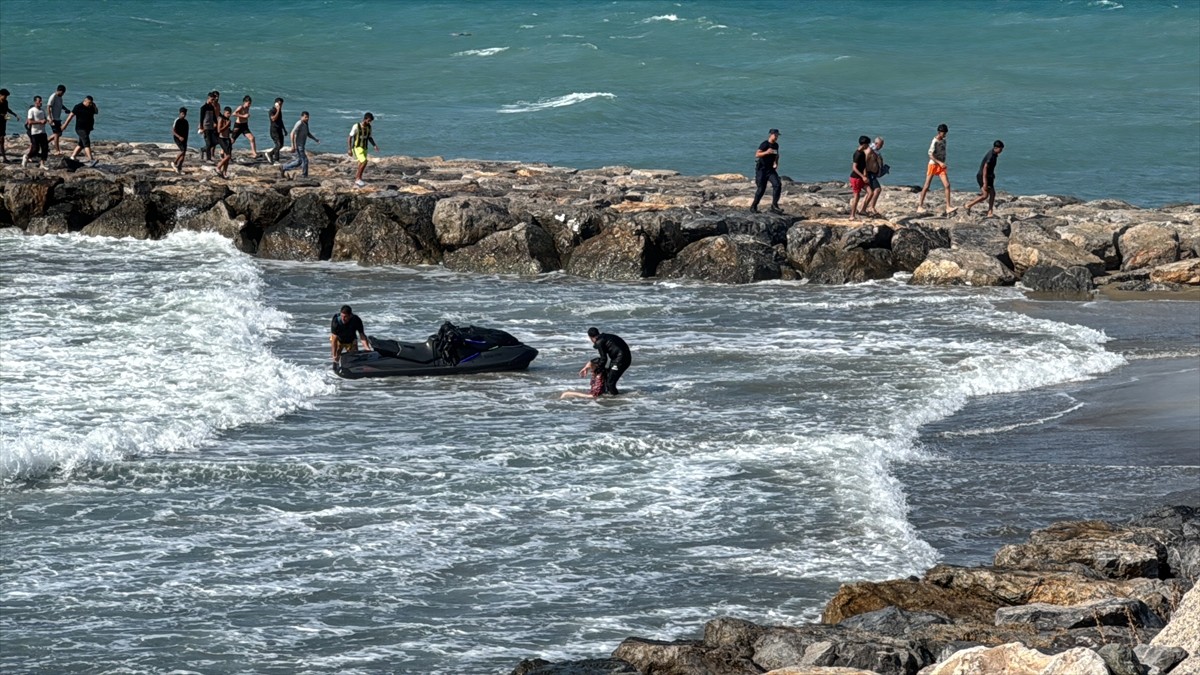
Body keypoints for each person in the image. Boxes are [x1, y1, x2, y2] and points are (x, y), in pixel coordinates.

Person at [917, 123, 955, 215]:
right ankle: (920, 206)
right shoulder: (935, 141)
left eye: (945, 133)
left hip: (941, 167)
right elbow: (930, 154)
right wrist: (940, 162)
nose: (944, 134)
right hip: (933, 165)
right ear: (939, 132)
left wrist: (943, 163)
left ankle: (948, 206)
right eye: (943, 133)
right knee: (926, 186)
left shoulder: (944, 140)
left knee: (947, 185)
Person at [582, 327, 631, 395]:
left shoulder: (599, 341)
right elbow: (603, 359)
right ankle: (609, 396)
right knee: (608, 379)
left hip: (620, 360)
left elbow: (604, 359)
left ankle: (616, 400)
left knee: (610, 383)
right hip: (623, 359)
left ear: (590, 337)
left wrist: (597, 371)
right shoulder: (605, 337)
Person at [965, 140, 1005, 217]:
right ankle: (968, 205)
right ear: (996, 148)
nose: (1001, 151)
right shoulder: (991, 156)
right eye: (1000, 149)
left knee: (993, 194)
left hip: (989, 177)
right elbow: (985, 168)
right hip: (982, 177)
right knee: (985, 195)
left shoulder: (994, 154)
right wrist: (985, 183)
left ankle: (990, 211)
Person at [749, 128, 782, 214]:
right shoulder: (765, 144)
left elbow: (777, 155)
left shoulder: (776, 145)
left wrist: (776, 163)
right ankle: (754, 206)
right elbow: (757, 154)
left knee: (777, 185)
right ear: (770, 135)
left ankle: (774, 205)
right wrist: (766, 152)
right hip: (761, 170)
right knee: (761, 189)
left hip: (770, 170)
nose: (776, 137)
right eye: (775, 135)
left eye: (777, 135)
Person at [281, 111, 319, 179]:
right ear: (301, 117)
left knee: (299, 161)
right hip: (298, 146)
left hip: (302, 145)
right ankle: (304, 175)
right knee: (305, 160)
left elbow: (308, 133)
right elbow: (292, 133)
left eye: (308, 117)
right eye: (305, 117)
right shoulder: (299, 123)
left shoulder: (305, 123)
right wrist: (293, 146)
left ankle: (284, 167)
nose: (307, 118)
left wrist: (315, 139)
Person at [62, 95, 99, 165]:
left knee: (81, 144)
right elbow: (70, 116)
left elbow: (96, 112)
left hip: (88, 128)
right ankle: (91, 159)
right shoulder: (78, 107)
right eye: (89, 103)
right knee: (86, 142)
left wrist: (94, 106)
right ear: (85, 101)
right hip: (80, 128)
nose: (90, 104)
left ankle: (73, 157)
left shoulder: (91, 107)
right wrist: (65, 125)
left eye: (91, 103)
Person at [348, 112, 378, 187]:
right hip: (357, 147)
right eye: (369, 120)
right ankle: (358, 179)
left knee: (361, 163)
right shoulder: (356, 126)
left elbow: (369, 137)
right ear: (364, 119)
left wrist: (374, 145)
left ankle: (358, 178)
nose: (369, 122)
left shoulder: (369, 127)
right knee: (364, 161)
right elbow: (350, 137)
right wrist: (349, 149)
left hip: (365, 147)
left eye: (370, 121)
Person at [23, 95, 49, 169]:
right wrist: (40, 122)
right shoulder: (32, 110)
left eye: (41, 101)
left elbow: (45, 118)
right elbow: (30, 121)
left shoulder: (42, 110)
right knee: (35, 149)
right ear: (35, 102)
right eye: (39, 101)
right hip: (35, 132)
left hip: (43, 131)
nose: (41, 102)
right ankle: (27, 156)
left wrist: (46, 121)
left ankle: (42, 164)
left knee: (45, 148)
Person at [849, 135, 871, 221]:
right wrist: (862, 176)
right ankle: (852, 215)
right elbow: (854, 167)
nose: (868, 146)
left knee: (870, 192)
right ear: (864, 144)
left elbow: (864, 165)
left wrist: (865, 175)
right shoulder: (857, 154)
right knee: (856, 197)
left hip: (862, 178)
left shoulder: (863, 153)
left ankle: (863, 210)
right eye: (867, 144)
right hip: (856, 178)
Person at [863, 136, 886, 218]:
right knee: (877, 190)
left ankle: (865, 208)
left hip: (873, 174)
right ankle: (870, 207)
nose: (882, 147)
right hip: (869, 174)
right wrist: (864, 174)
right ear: (876, 143)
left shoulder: (876, 151)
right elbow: (864, 162)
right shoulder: (870, 150)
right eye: (881, 145)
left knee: (872, 192)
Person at [198, 91, 219, 163]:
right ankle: (208, 159)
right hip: (205, 127)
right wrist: (201, 127)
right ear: (208, 98)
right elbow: (201, 118)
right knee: (209, 143)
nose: (213, 101)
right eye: (212, 99)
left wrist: (216, 123)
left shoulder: (212, 107)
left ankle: (202, 149)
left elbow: (214, 117)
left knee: (214, 142)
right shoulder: (203, 108)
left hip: (211, 127)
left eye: (214, 99)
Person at [47, 84, 66, 155]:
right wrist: (50, 118)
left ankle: (45, 143)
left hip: (57, 118)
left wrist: (65, 109)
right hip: (53, 118)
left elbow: (61, 105)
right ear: (60, 91)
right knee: (57, 134)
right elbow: (48, 106)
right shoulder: (53, 96)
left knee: (59, 133)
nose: (63, 94)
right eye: (63, 93)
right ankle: (57, 150)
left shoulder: (60, 97)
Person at [215, 106, 233, 179]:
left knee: (227, 157)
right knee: (228, 156)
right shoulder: (221, 119)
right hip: (221, 139)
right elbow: (219, 130)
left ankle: (224, 172)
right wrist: (226, 125)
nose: (228, 115)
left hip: (227, 139)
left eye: (230, 114)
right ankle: (218, 167)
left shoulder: (228, 120)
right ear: (224, 112)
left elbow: (228, 130)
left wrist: (233, 131)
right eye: (227, 113)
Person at [266, 98, 285, 164]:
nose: (281, 105)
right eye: (280, 104)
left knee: (281, 145)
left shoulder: (279, 111)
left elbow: (280, 120)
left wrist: (284, 129)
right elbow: (273, 119)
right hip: (274, 130)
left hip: (280, 129)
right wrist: (278, 110)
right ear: (276, 103)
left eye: (281, 104)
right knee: (278, 144)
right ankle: (276, 160)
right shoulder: (272, 110)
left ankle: (270, 154)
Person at [171, 107, 189, 174]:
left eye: (184, 114)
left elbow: (186, 132)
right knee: (182, 150)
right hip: (177, 138)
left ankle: (179, 168)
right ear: (180, 113)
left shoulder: (186, 122)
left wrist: (186, 140)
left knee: (184, 154)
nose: (183, 115)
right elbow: (173, 131)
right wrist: (179, 137)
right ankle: (174, 162)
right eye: (182, 114)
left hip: (184, 139)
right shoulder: (177, 120)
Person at [0, 88, 13, 163]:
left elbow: (7, 109)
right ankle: (4, 156)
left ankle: (4, 157)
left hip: (3, 122)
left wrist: (14, 114)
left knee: (2, 139)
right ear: (0, 95)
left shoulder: (5, 102)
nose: (5, 98)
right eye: (4, 96)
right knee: (1, 139)